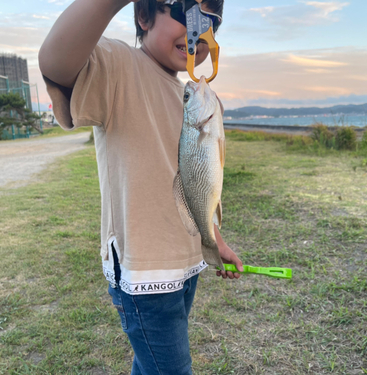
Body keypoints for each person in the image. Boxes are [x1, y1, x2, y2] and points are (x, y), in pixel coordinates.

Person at [38, 0, 243, 373]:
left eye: (212, 20)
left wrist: (215, 240)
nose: (200, 29)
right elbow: (55, 62)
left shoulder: (189, 94)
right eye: (186, 13)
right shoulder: (119, 66)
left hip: (186, 262)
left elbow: (194, 184)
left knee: (151, 364)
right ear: (143, 17)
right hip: (144, 274)